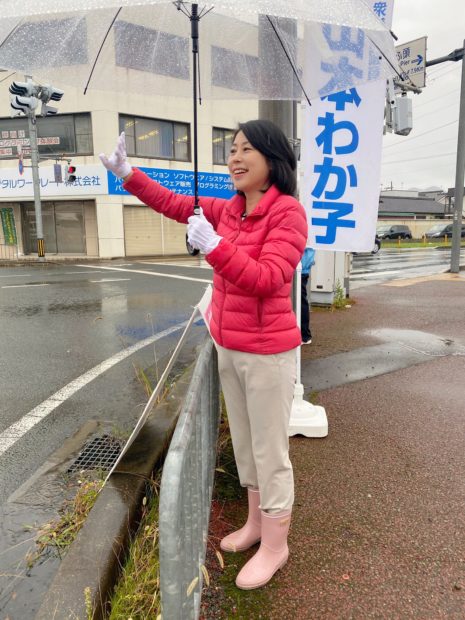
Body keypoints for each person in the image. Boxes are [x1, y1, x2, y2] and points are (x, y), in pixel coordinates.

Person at [100, 120, 307, 590]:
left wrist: (215, 247)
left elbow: (268, 277)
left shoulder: (288, 213)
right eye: (231, 150)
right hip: (229, 344)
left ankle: (277, 544)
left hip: (268, 352)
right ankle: (256, 525)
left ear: (272, 159)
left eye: (245, 149)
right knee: (246, 446)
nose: (234, 158)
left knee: (271, 451)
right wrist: (128, 175)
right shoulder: (229, 209)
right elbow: (174, 204)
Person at [300, 247, 315, 345]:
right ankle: (304, 334)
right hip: (301, 269)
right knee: (301, 301)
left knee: (300, 302)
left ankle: (304, 335)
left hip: (299, 270)